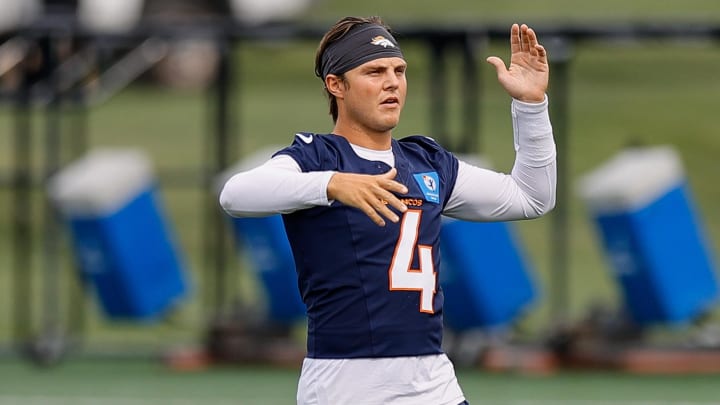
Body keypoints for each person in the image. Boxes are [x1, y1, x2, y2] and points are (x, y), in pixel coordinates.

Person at [220, 15, 556, 405]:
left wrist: (531, 106)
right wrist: (330, 184)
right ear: (336, 85)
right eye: (374, 71)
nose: (392, 82)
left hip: (433, 386)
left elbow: (532, 197)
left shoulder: (426, 161)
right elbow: (235, 195)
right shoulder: (317, 157)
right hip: (345, 385)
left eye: (399, 70)